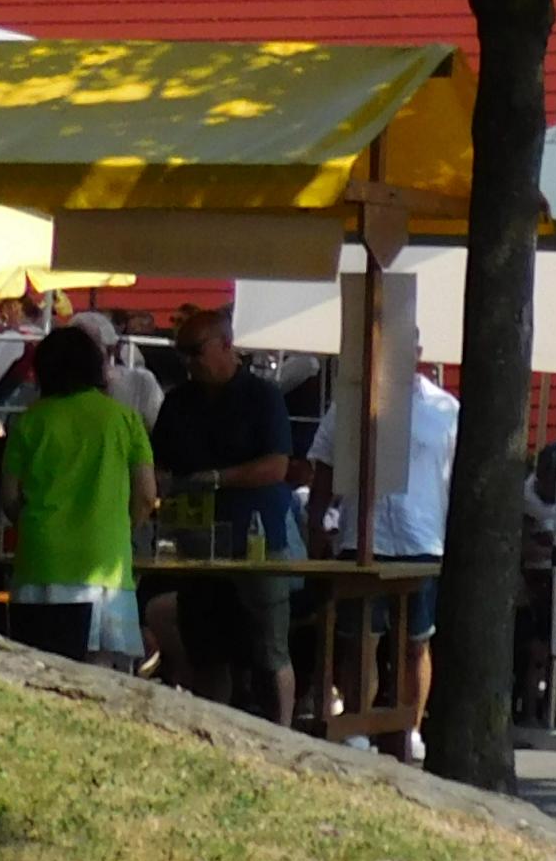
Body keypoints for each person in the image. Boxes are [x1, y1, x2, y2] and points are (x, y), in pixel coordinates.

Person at [144, 305, 302, 722]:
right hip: (197, 542)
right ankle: (213, 731)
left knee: (269, 651)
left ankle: (283, 733)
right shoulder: (179, 402)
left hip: (256, 540)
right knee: (206, 651)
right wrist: (162, 482)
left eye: (196, 351)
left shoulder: (262, 396)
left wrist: (215, 478)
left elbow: (277, 466)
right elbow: (159, 463)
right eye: (182, 354)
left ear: (226, 345)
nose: (189, 363)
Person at [305, 359, 461, 734]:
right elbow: (323, 467)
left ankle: (410, 729)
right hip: (361, 535)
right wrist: (317, 525)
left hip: (421, 538)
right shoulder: (349, 404)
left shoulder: (446, 409)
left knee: (416, 642)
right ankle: (358, 725)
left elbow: (457, 477)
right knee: (361, 642)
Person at [0, 321, 155, 661]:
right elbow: (146, 494)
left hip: (40, 559)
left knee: (38, 664)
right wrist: (122, 529)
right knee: (100, 669)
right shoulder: (125, 419)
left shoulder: (29, 421)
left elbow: (9, 496)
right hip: (105, 560)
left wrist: (30, 524)